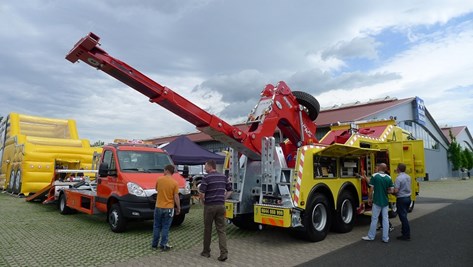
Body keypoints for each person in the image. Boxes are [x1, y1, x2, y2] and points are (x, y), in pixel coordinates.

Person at [199, 160, 233, 262]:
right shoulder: (223, 176)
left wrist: (203, 201)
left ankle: (206, 252)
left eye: (205, 167)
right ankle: (224, 253)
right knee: (221, 230)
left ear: (210, 167)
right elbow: (230, 190)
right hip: (221, 206)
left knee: (208, 229)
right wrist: (224, 198)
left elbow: (201, 193)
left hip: (210, 206)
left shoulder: (206, 177)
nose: (205, 168)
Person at [362, 163, 394, 243]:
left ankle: (371, 236)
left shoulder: (375, 176)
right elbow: (391, 190)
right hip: (385, 201)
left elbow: (371, 189)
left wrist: (369, 198)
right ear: (385, 169)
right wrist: (386, 191)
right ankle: (385, 238)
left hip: (376, 201)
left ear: (379, 168)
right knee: (385, 219)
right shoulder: (388, 177)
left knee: (374, 219)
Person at [151, 164, 180, 251]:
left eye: (164, 170)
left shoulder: (159, 179)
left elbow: (156, 189)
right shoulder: (175, 183)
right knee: (165, 227)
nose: (163, 172)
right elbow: (176, 197)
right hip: (169, 208)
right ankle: (163, 244)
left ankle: (154, 245)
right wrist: (178, 207)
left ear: (167, 170)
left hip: (158, 206)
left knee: (156, 226)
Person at [393, 163, 411, 241]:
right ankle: (404, 233)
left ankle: (406, 234)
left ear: (398, 169)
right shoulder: (408, 177)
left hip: (401, 199)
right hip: (408, 198)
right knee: (405, 216)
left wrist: (391, 192)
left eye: (397, 168)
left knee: (403, 218)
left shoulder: (398, 178)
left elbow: (396, 190)